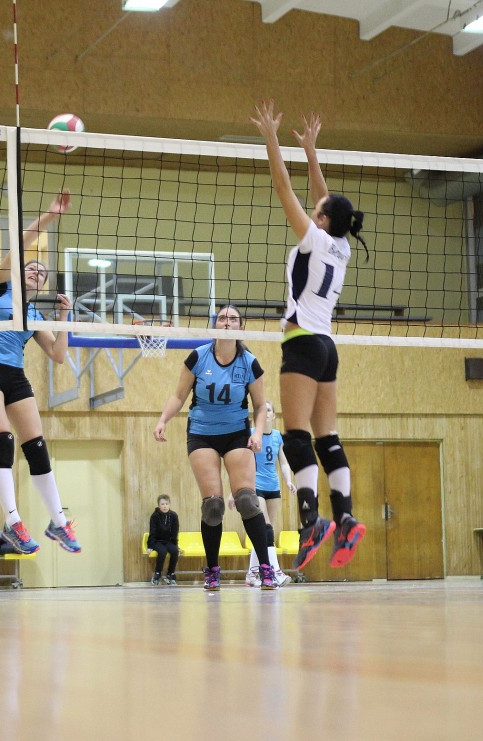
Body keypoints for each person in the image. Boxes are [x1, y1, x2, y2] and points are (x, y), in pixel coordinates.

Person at [251, 100, 368, 570]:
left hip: (301, 343)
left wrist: (271, 139)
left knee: (297, 437)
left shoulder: (315, 237)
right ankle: (346, 517)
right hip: (328, 348)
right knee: (327, 437)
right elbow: (327, 200)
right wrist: (312, 153)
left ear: (320, 220)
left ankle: (311, 521)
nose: (315, 205)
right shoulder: (340, 246)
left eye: (317, 209)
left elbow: (284, 188)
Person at [0, 190, 80, 555]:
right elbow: (21, 245)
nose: (36, 271)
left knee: (36, 446)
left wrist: (64, 317)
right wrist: (50, 216)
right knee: (3, 441)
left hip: (15, 376)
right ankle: (13, 521)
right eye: (31, 268)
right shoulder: (0, 288)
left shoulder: (34, 315)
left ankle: (58, 522)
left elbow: (58, 355)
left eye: (41, 272)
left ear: (42, 285)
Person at [154, 305, 276, 590]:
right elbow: (178, 395)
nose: (227, 323)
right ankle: (212, 570)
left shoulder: (249, 363)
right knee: (213, 506)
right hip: (202, 434)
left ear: (240, 327)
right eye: (222, 318)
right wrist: (162, 420)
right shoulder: (198, 357)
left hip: (236, 434)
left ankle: (266, 568)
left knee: (247, 501)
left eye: (233, 319)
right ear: (214, 325)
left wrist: (258, 433)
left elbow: (260, 406)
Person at [245, 400, 295, 587]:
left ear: (273, 415)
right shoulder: (251, 434)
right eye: (262, 410)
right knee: (265, 529)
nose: (266, 414)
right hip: (256, 485)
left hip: (273, 486)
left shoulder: (277, 436)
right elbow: (242, 461)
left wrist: (288, 480)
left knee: (265, 531)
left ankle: (252, 573)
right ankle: (276, 571)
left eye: (269, 411)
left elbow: (283, 462)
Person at [146, 495, 181, 586]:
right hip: (157, 541)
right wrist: (150, 546)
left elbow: (175, 532)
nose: (165, 506)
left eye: (166, 504)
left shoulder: (173, 515)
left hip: (169, 541)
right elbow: (152, 531)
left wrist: (176, 544)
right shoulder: (154, 516)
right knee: (162, 551)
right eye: (162, 504)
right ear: (159, 505)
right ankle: (157, 573)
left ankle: (170, 573)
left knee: (174, 551)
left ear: (169, 504)